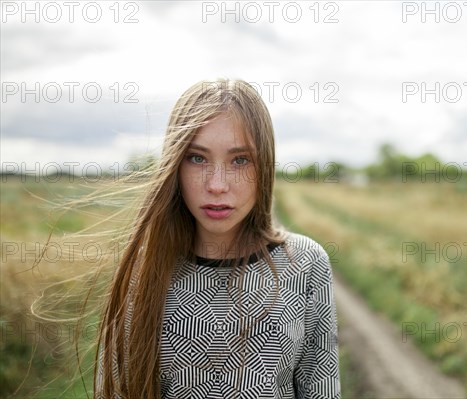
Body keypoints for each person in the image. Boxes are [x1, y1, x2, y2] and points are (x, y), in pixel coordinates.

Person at [94, 79, 340, 399]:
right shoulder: (144, 268)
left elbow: (321, 390)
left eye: (240, 160)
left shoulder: (305, 263)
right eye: (198, 158)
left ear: (263, 166)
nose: (217, 185)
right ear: (175, 165)